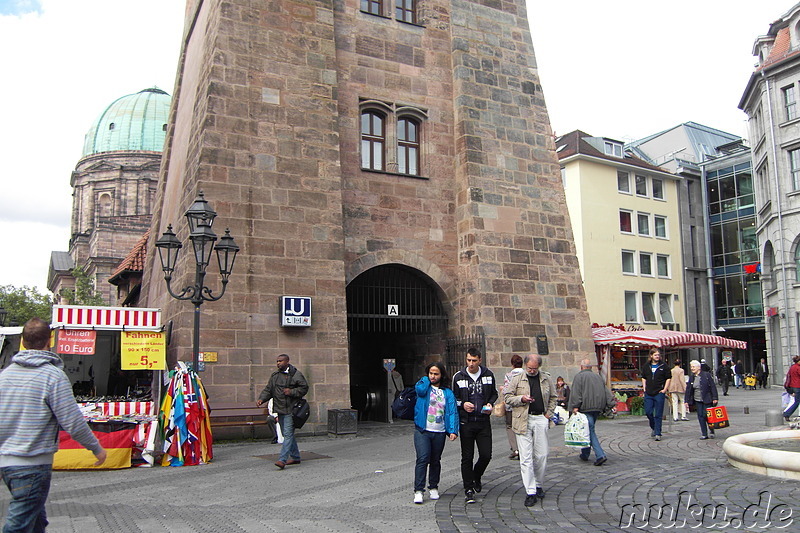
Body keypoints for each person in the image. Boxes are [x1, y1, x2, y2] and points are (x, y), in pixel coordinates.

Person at [0, 318, 107, 532]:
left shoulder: (5, 376)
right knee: (18, 524)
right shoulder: (53, 376)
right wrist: (96, 447)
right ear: (50, 340)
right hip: (33, 462)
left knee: (36, 520)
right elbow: (72, 421)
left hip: (7, 463)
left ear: (23, 341)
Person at [504, 354, 556, 507]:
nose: (532, 371)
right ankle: (530, 491)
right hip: (522, 419)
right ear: (525, 365)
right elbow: (507, 397)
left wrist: (549, 414)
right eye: (529, 368)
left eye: (534, 368)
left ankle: (539, 484)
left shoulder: (546, 378)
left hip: (541, 418)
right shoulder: (517, 378)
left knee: (542, 455)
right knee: (525, 457)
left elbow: (553, 397)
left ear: (539, 367)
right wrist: (521, 399)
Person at [452, 347, 497, 503]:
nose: (470, 364)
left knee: (486, 455)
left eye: (474, 361)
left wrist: (490, 404)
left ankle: (476, 476)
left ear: (480, 360)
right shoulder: (459, 377)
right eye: (468, 360)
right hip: (467, 422)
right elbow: (454, 398)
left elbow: (494, 393)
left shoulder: (488, 375)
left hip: (483, 421)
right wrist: (463, 404)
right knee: (467, 456)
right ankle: (468, 488)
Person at [412, 362, 458, 504]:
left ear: (441, 375)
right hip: (423, 430)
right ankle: (418, 490)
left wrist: (453, 430)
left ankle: (433, 487)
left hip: (439, 431)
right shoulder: (424, 387)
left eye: (436, 374)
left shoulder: (447, 392)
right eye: (430, 373)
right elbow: (418, 390)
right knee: (423, 458)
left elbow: (451, 412)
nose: (433, 376)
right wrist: (425, 380)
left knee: (435, 460)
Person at [256, 354, 309, 469]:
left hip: (291, 409)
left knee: (288, 434)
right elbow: (268, 389)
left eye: (280, 361)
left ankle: (282, 459)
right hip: (279, 409)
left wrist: (291, 392)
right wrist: (262, 399)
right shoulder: (275, 375)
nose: (278, 363)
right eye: (277, 361)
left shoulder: (295, 374)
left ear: (287, 361)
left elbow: (304, 388)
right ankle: (295, 457)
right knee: (286, 434)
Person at [567, 359, 616, 466]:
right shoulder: (598, 377)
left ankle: (600, 455)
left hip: (585, 408)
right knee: (588, 429)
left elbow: (576, 393)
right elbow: (606, 391)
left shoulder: (579, 377)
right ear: (590, 367)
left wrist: (575, 406)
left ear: (581, 367)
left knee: (589, 430)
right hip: (597, 407)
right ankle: (585, 454)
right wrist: (610, 405)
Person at [641, 348, 670, 441]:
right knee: (648, 412)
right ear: (651, 356)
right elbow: (643, 377)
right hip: (649, 393)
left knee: (658, 414)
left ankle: (658, 433)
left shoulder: (663, 366)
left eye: (658, 355)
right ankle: (653, 426)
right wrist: (644, 388)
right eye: (655, 355)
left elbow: (668, 378)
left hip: (659, 392)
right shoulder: (646, 366)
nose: (657, 356)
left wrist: (664, 389)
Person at [684, 360, 719, 439]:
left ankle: (711, 430)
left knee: (708, 416)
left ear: (699, 367)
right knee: (700, 416)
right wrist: (686, 401)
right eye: (691, 367)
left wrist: (715, 398)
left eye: (693, 367)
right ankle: (704, 433)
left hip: (707, 399)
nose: (692, 368)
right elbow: (689, 389)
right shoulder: (692, 377)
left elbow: (712, 386)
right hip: (697, 400)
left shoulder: (706, 375)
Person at [502, 354, 524, 460]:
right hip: (523, 405)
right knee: (523, 426)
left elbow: (506, 390)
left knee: (510, 426)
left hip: (511, 405)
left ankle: (515, 449)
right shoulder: (526, 374)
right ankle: (523, 448)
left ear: (512, 364)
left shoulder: (509, 375)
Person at [782, 355, 800, 421]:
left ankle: (787, 413)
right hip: (798, 386)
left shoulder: (792, 367)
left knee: (796, 401)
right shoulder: (798, 368)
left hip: (793, 386)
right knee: (797, 402)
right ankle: (787, 414)